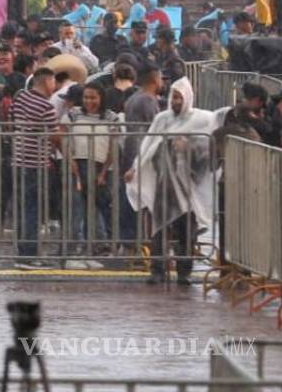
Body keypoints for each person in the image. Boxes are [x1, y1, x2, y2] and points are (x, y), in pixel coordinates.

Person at [125, 77, 215, 285]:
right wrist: (136, 168)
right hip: (164, 182)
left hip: (187, 186)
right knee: (159, 229)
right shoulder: (163, 119)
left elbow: (206, 149)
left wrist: (188, 146)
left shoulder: (200, 120)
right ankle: (157, 270)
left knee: (186, 231)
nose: (175, 101)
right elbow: (149, 144)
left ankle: (184, 272)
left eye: (179, 97)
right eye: (173, 97)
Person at [63, 82, 121, 265]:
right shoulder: (73, 114)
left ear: (101, 98)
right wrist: (69, 159)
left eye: (93, 97)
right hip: (76, 165)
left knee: (97, 208)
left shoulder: (112, 117)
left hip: (102, 168)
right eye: (86, 97)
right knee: (76, 208)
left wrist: (104, 172)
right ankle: (72, 251)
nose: (89, 101)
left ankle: (95, 249)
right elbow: (61, 134)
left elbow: (114, 145)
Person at [10, 67, 60, 268]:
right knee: (32, 209)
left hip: (19, 159)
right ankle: (28, 255)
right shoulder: (46, 107)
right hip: (35, 163)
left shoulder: (20, 98)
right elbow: (54, 134)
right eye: (53, 82)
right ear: (47, 82)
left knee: (23, 208)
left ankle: (23, 251)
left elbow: (11, 120)